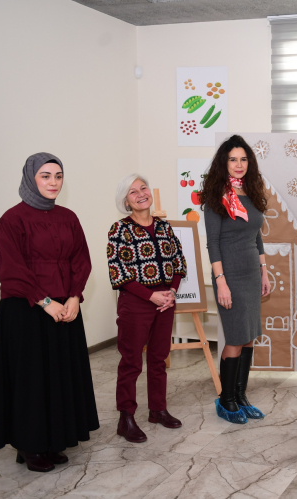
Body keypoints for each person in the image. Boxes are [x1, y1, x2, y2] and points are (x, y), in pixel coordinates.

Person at [0, 152, 99, 472]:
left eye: (58, 176)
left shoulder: (68, 217)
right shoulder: (12, 219)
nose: (53, 182)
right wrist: (45, 302)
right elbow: (11, 268)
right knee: (31, 379)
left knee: (59, 376)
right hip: (26, 309)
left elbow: (81, 259)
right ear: (31, 178)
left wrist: (74, 296)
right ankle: (29, 445)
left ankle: (52, 441)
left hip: (65, 308)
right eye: (45, 176)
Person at [107, 173, 187, 443]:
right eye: (133, 192)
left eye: (143, 188)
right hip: (135, 303)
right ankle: (126, 418)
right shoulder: (119, 230)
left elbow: (179, 263)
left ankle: (158, 410)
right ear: (125, 201)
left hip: (165, 302)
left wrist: (171, 292)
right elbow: (118, 272)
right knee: (131, 361)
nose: (141, 194)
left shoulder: (165, 227)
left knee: (158, 358)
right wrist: (150, 296)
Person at [199, 135, 271, 424]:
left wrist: (264, 271)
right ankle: (226, 400)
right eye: (233, 159)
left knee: (249, 337)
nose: (239, 164)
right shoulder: (216, 197)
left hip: (252, 274)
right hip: (229, 275)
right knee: (236, 337)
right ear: (224, 162)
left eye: (243, 159)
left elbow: (256, 235)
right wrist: (221, 281)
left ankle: (241, 396)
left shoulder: (251, 192)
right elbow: (213, 243)